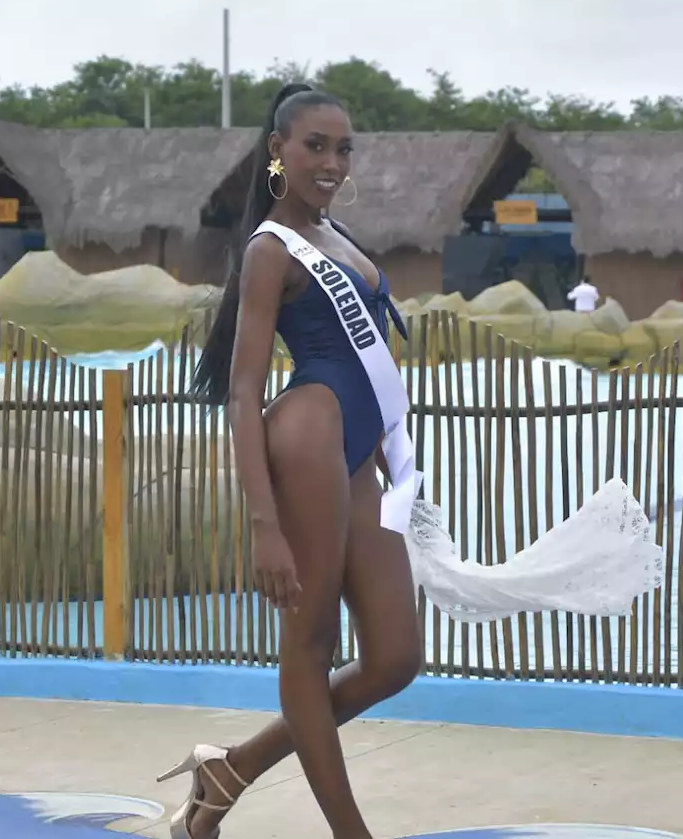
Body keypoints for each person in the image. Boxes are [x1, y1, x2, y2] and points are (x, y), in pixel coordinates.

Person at [161, 84, 421, 839]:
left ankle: (229, 769)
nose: (332, 161)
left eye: (344, 148)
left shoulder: (332, 232)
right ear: (278, 149)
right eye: (315, 145)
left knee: (395, 657)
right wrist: (262, 524)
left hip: (356, 453)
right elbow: (244, 392)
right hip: (307, 434)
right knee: (311, 646)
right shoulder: (271, 248)